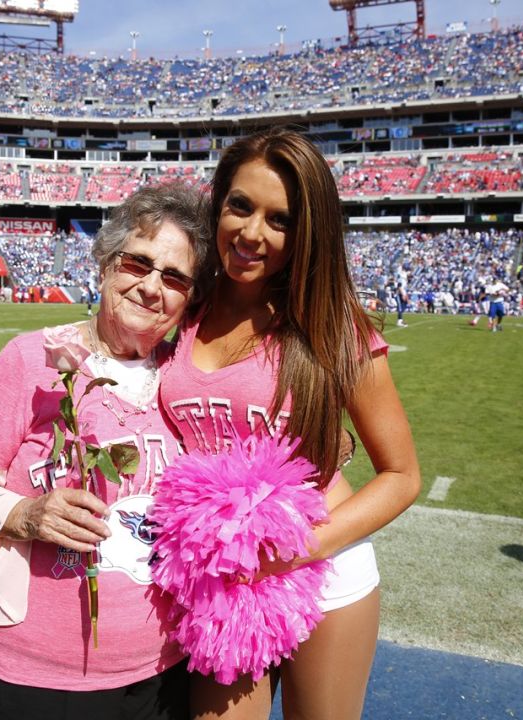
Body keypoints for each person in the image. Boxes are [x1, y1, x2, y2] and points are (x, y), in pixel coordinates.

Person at [156, 127, 421, 720]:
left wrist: (291, 553)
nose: (252, 234)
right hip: (219, 577)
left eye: (280, 220)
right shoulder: (187, 306)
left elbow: (402, 475)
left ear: (307, 234)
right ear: (217, 204)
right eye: (240, 207)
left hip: (323, 569)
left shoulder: (330, 325)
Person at [0, 183, 213, 720]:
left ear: (189, 299)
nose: (152, 286)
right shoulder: (30, 359)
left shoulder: (187, 378)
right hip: (39, 675)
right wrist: (25, 514)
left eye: (174, 277)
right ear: (106, 265)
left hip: (167, 668)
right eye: (137, 262)